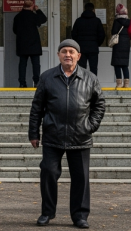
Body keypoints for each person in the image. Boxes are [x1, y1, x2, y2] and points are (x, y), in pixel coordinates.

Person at [29, 39, 106, 229]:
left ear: (78, 56)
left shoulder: (90, 78)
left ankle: (79, 216)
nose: (68, 55)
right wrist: (34, 132)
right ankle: (47, 212)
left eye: (72, 51)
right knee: (48, 172)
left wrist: (90, 126)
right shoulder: (47, 77)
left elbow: (99, 105)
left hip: (80, 136)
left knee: (81, 178)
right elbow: (37, 107)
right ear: (58, 55)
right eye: (64, 51)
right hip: (52, 135)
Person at [12, 0, 48, 88]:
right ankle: (36, 82)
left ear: (23, 6)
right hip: (34, 44)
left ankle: (22, 83)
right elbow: (44, 19)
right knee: (35, 64)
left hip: (22, 44)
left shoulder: (17, 17)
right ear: (32, 6)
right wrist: (38, 10)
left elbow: (14, 30)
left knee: (22, 64)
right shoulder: (34, 16)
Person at [71, 3, 105, 76]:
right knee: (93, 68)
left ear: (84, 9)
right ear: (93, 10)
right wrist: (97, 43)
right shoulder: (97, 21)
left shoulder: (79, 21)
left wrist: (78, 44)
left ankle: (81, 84)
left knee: (81, 68)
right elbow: (102, 34)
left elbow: (74, 34)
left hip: (81, 47)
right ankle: (93, 84)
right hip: (93, 47)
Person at [110, 4, 131, 89]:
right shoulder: (129, 22)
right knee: (125, 65)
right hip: (126, 44)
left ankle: (119, 84)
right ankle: (126, 84)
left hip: (118, 44)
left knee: (117, 65)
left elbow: (113, 32)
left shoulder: (117, 21)